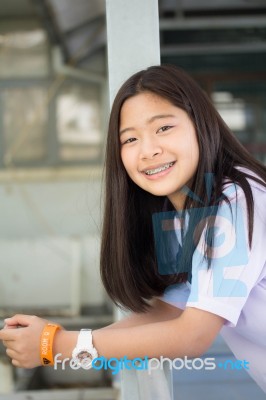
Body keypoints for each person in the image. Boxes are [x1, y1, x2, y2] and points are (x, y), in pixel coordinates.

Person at [1, 65, 266, 392]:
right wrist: (56, 342)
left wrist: (58, 346)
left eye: (164, 127)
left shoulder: (233, 202)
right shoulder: (186, 211)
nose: (149, 150)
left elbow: (192, 336)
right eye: (130, 139)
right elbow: (171, 310)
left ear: (201, 125)